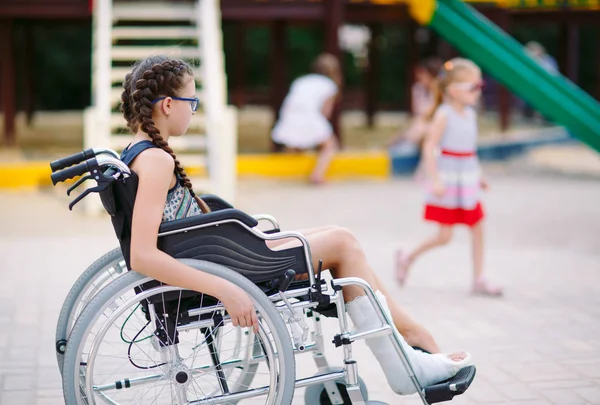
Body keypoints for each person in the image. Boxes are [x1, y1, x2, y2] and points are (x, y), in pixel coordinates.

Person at [120, 55, 471, 395]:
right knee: (343, 243)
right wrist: (226, 290)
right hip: (224, 267)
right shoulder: (155, 161)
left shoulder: (140, 152)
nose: (193, 111)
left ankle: (410, 340)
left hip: (222, 253)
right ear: (168, 105)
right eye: (191, 101)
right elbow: (143, 256)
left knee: (339, 238)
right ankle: (406, 353)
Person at [395, 58, 503, 297]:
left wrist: (480, 175)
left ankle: (479, 278)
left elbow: (469, 150)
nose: (478, 92)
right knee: (444, 236)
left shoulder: (471, 116)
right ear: (454, 91)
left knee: (477, 226)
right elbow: (429, 147)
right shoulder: (444, 115)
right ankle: (407, 256)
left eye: (479, 86)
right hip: (448, 180)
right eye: (473, 87)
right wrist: (435, 179)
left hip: (467, 180)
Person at [271, 53, 341, 184]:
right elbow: (326, 112)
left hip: (289, 115)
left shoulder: (301, 80)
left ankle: (287, 175)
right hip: (309, 116)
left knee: (294, 145)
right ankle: (318, 174)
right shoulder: (329, 85)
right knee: (330, 146)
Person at [387, 57, 442, 152]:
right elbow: (418, 114)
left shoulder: (440, 92)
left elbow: (435, 114)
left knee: (418, 134)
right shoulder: (418, 89)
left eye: (423, 74)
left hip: (434, 125)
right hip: (421, 124)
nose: (420, 77)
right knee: (399, 140)